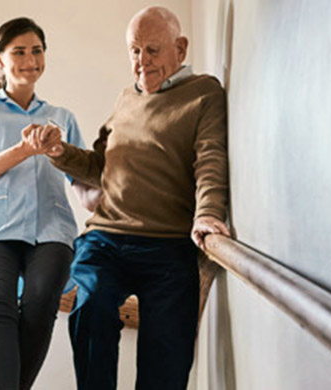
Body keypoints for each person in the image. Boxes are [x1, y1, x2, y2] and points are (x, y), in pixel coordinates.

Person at [38, 6, 231, 389]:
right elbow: (100, 167)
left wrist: (208, 213)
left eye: (153, 50)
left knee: (167, 354)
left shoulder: (204, 93)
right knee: (90, 308)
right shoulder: (126, 99)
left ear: (181, 48)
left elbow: (210, 157)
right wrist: (60, 153)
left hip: (169, 244)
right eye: (134, 51)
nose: (142, 62)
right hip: (106, 239)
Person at [0, 17, 96, 390]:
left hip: (52, 231)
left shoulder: (62, 119)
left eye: (37, 50)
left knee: (41, 308)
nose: (30, 59)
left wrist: (61, 154)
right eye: (19, 51)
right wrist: (24, 150)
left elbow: (84, 186)